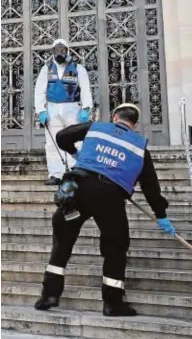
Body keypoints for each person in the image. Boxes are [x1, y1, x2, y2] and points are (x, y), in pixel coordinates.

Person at [34, 103, 176, 316]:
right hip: (110, 198)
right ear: (135, 124)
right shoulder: (139, 147)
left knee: (62, 241)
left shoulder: (96, 127)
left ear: (114, 117)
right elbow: (151, 189)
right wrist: (161, 216)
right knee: (116, 247)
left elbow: (62, 136)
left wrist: (75, 152)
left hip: (78, 191)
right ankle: (112, 303)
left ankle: (49, 294)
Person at [34, 38, 93, 185]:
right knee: (52, 142)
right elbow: (39, 91)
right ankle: (56, 174)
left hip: (72, 107)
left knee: (76, 140)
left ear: (67, 51)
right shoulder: (46, 69)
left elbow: (85, 89)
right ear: (53, 52)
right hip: (52, 108)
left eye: (62, 50)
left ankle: (76, 170)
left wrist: (86, 108)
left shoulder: (78, 68)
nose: (59, 52)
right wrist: (41, 110)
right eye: (57, 50)